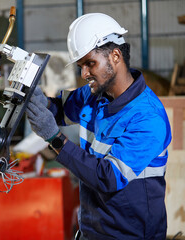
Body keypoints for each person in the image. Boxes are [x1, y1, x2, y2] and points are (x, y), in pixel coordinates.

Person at [26, 13, 172, 240]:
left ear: (115, 56)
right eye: (81, 66)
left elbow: (108, 177)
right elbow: (60, 111)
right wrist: (38, 100)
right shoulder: (95, 94)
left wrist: (54, 138)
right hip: (92, 230)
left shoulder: (147, 118)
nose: (84, 74)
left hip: (130, 235)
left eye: (90, 63)